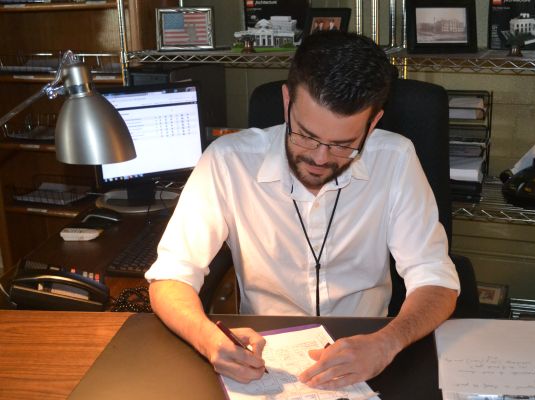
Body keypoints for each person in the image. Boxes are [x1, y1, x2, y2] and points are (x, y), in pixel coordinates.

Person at [146, 31, 459, 390]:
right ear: (286, 101)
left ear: (372, 124)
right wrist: (207, 339)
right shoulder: (228, 161)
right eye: (306, 135)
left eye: (343, 144)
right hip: (262, 359)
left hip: (366, 351)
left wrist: (386, 343)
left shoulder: (396, 159)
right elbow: (171, 276)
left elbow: (436, 280)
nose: (320, 158)